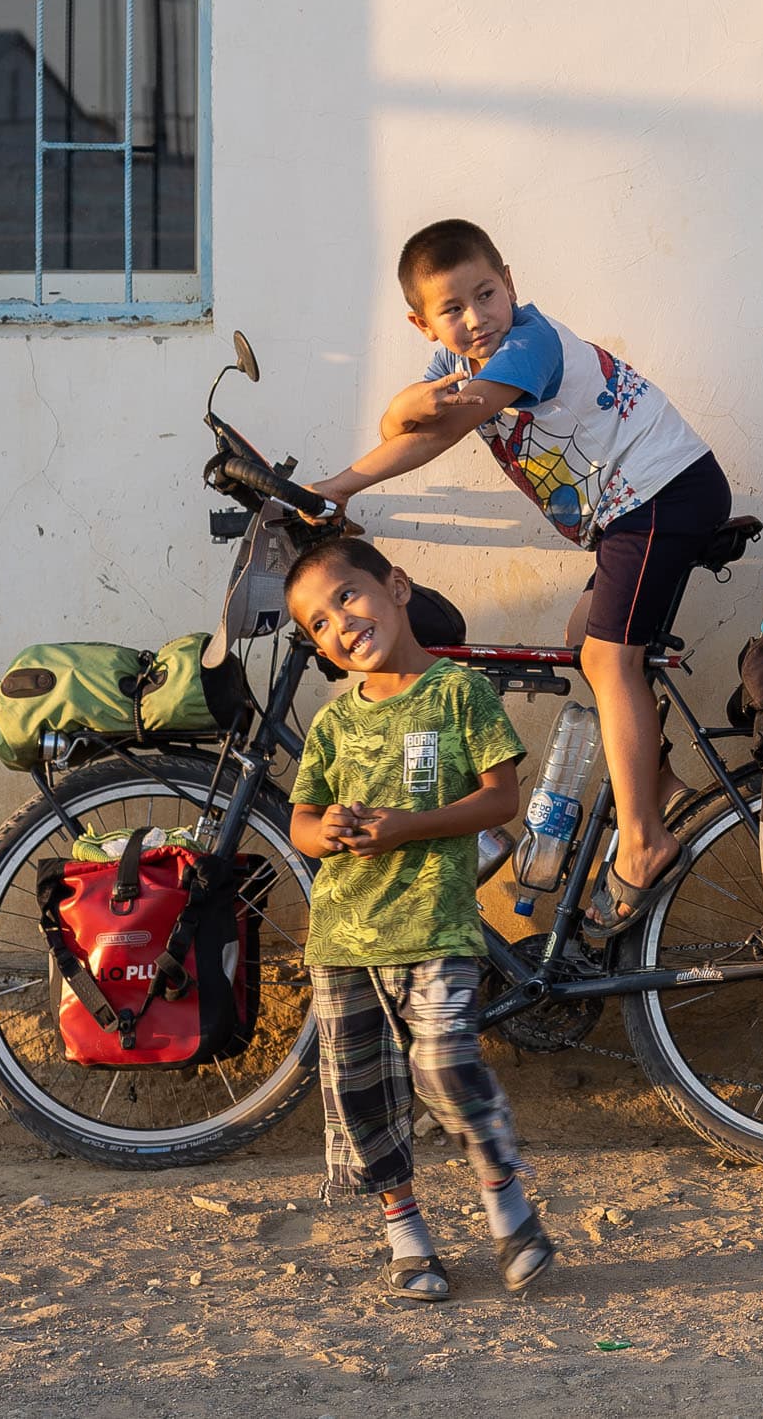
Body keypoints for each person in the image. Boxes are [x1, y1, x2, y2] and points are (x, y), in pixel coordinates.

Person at [310, 219, 731, 929]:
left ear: (511, 282)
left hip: (664, 494)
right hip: (635, 511)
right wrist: (401, 408)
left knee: (608, 656)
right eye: (453, 309)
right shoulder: (457, 360)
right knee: (583, 641)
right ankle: (655, 780)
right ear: (423, 323)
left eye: (487, 293)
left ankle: (642, 839)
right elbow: (406, 428)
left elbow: (437, 429)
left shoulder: (528, 344)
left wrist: (337, 486)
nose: (476, 317)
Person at [282, 537, 554, 1301]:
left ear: (395, 586)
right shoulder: (332, 726)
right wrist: (325, 828)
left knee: (444, 1065)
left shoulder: (457, 692)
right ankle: (407, 1235)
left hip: (436, 928)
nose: (339, 624)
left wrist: (409, 825)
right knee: (361, 1091)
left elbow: (503, 800)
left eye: (347, 597)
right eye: (318, 626)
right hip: (342, 940)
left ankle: (507, 1203)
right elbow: (302, 822)